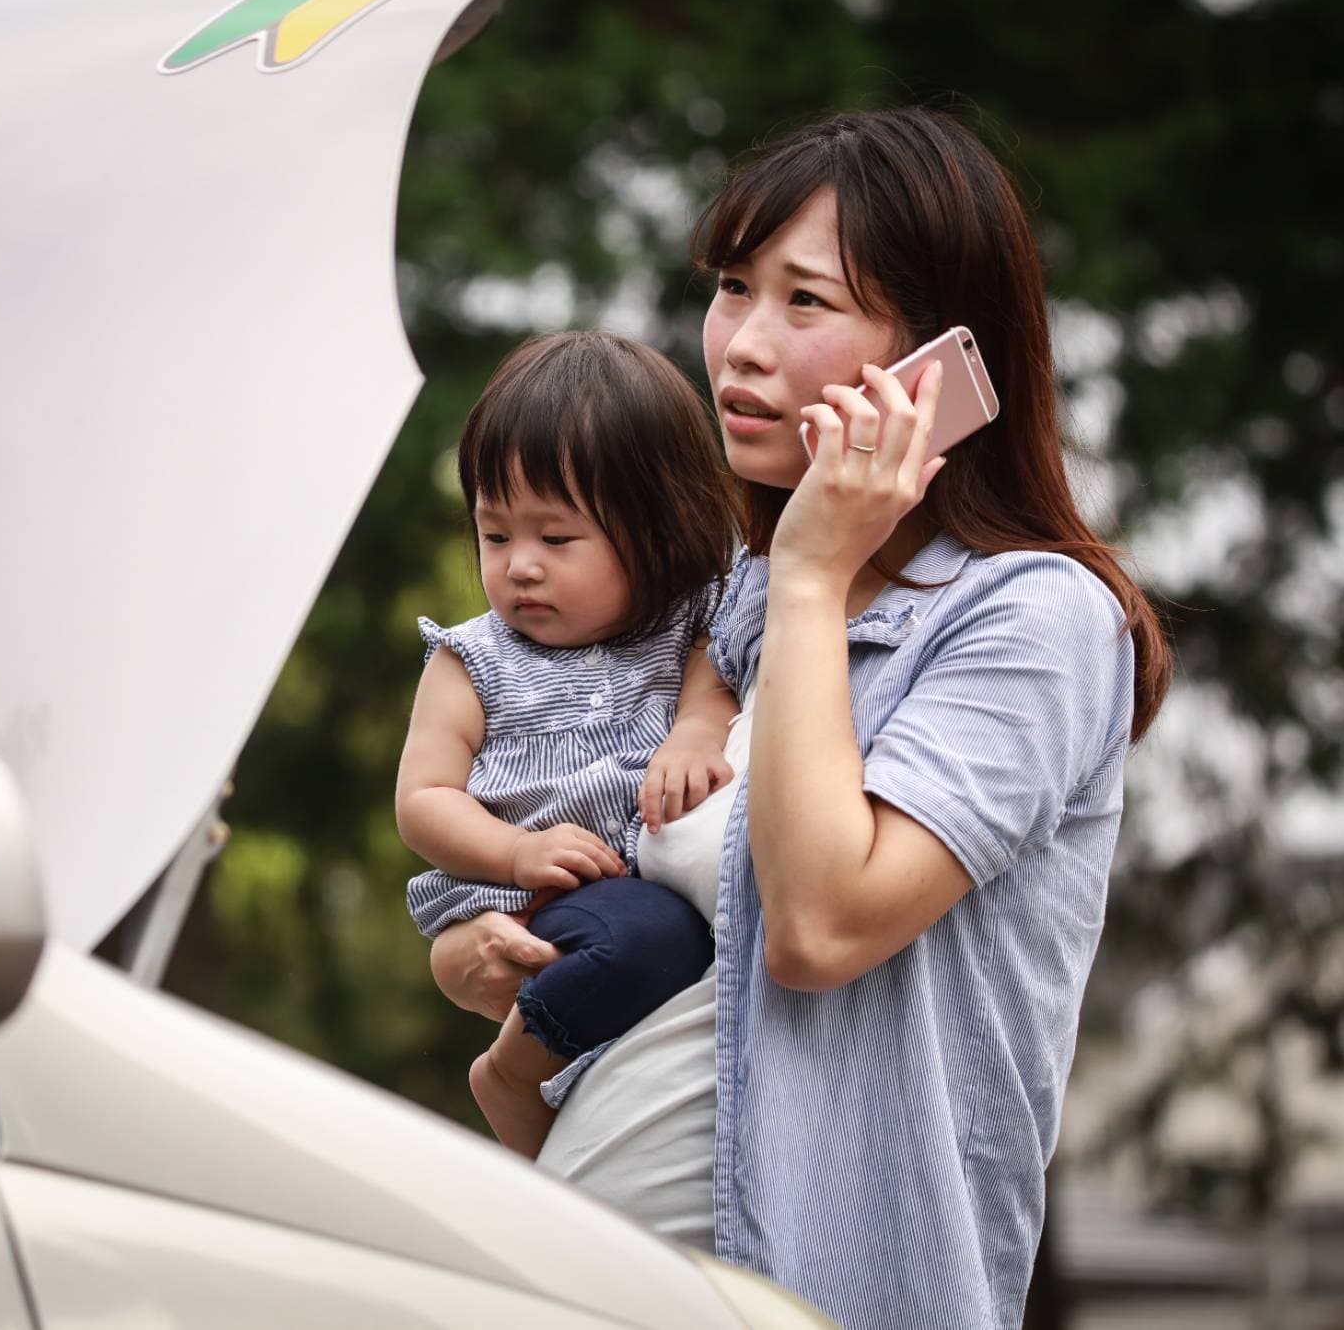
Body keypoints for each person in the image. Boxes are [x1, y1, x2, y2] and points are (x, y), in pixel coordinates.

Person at [425, 107, 1173, 1329]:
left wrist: (820, 570)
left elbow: (819, 928)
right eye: (731, 288)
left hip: (814, 1291)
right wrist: (504, 954)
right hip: (591, 1259)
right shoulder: (726, 616)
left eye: (805, 301)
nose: (741, 346)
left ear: (937, 354)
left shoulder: (1032, 618)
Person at [397, 330, 743, 1158]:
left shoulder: (692, 622)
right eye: (495, 534)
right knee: (651, 937)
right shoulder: (468, 658)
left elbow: (709, 700)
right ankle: (512, 1073)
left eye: (556, 540)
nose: (520, 567)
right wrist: (517, 853)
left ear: (659, 529)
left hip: (633, 890)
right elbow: (423, 801)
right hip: (529, 892)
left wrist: (694, 735)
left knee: (666, 947)